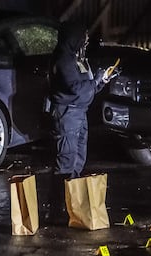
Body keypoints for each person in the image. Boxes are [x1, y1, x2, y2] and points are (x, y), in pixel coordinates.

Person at [45, 20, 116, 224]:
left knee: (78, 160)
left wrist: (102, 80)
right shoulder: (63, 59)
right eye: (82, 36)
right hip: (67, 115)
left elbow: (88, 89)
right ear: (73, 37)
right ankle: (56, 208)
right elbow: (76, 89)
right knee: (65, 161)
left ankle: (71, 206)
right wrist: (95, 82)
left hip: (80, 114)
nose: (85, 40)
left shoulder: (78, 59)